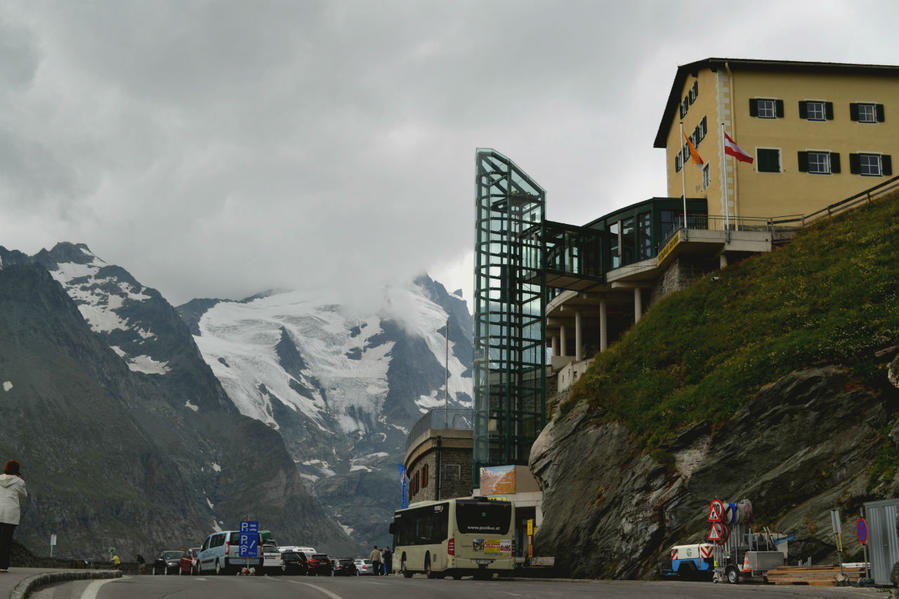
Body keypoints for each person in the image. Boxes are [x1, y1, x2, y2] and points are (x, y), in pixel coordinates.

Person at [0, 460, 27, 574]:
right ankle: (3, 565)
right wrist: (19, 479)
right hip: (11, 514)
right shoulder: (19, 482)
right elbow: (24, 495)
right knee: (6, 540)